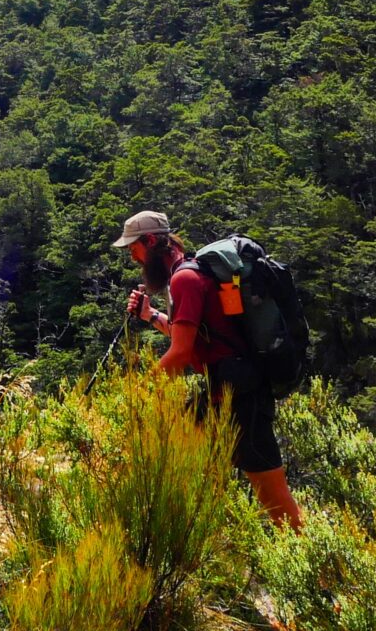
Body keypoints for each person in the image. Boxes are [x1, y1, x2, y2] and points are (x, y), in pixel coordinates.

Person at [115, 209, 303, 528]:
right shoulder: (191, 274)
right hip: (225, 393)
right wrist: (151, 317)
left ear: (150, 241)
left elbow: (180, 352)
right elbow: (199, 337)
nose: (133, 257)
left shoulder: (184, 279)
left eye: (134, 248)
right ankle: (205, 548)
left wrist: (137, 393)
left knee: (276, 502)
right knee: (182, 466)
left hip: (243, 401)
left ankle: (317, 570)